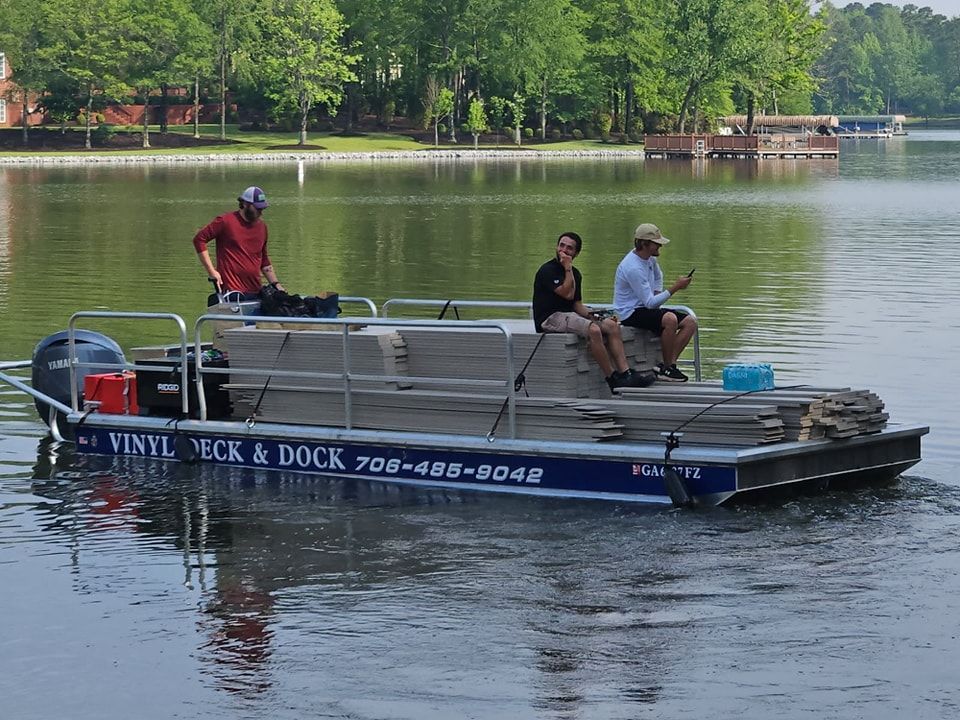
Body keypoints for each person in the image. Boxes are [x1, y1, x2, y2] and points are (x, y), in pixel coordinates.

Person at [533, 232, 654, 394]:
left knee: (611, 326)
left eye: (569, 248)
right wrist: (567, 268)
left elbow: (576, 305)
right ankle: (612, 378)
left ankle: (626, 373)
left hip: (569, 315)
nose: (564, 250)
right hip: (550, 317)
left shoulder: (575, 273)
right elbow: (566, 294)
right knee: (593, 330)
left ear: (576, 253)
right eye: (561, 245)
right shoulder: (548, 270)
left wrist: (599, 315)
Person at [613, 223, 698, 382]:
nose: (660, 246)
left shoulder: (649, 259)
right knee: (670, 319)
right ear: (644, 244)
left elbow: (658, 276)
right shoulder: (633, 267)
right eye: (656, 243)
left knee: (690, 322)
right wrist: (676, 287)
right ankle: (665, 368)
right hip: (630, 312)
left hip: (644, 307)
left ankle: (669, 365)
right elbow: (651, 304)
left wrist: (657, 292)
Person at [193, 186, 285, 303]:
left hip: (256, 292)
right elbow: (199, 240)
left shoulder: (262, 227)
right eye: (257, 208)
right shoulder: (225, 221)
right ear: (245, 204)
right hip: (232, 292)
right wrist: (212, 272)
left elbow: (264, 260)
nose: (260, 212)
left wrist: (276, 284)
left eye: (262, 209)